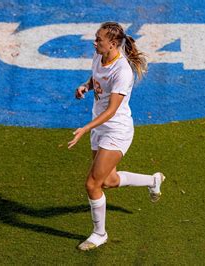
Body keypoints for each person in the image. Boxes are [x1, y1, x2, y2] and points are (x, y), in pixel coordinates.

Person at [68, 22, 166, 251]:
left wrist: (84, 128)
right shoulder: (99, 55)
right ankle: (153, 180)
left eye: (99, 39)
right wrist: (86, 86)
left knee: (92, 184)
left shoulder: (123, 71)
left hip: (116, 130)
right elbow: (97, 79)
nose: (94, 42)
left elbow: (111, 110)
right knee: (108, 181)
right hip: (100, 127)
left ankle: (99, 234)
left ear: (112, 43)